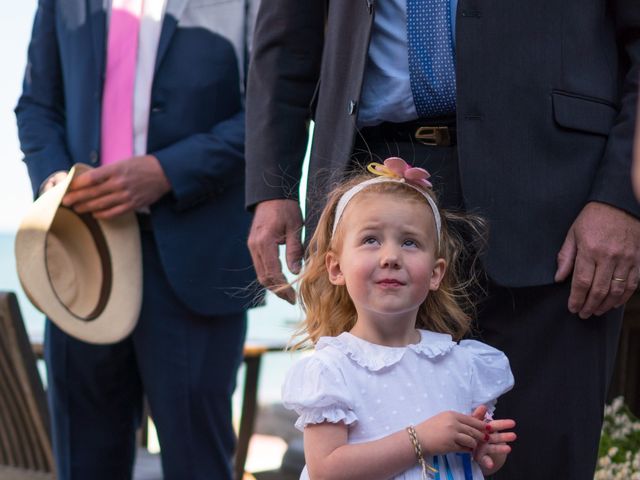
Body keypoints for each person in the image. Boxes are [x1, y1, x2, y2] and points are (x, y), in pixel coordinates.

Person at [245, 2, 640, 478]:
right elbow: (287, 36)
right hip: (373, 180)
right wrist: (273, 187)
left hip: (558, 198)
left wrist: (623, 195)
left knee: (537, 454)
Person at [15, 0, 258, 478]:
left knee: (199, 464)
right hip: (81, 254)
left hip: (197, 255)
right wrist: (54, 183)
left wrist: (168, 171)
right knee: (83, 460)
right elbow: (38, 106)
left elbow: (271, 112)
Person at [281, 158, 516, 479]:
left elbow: (469, 464)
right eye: (371, 240)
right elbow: (326, 469)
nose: (390, 257)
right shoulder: (333, 370)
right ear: (336, 268)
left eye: (409, 242)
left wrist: (485, 452)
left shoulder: (466, 364)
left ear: (435, 273)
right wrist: (419, 440)